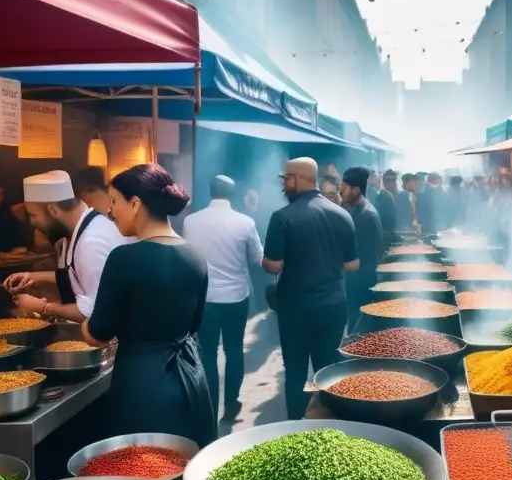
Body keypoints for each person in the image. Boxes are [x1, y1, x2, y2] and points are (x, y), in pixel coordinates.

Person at [81, 163, 216, 446]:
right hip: (191, 378)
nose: (109, 211)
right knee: (185, 464)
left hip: (142, 384)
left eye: (114, 202)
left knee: (141, 473)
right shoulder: (195, 255)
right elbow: (194, 324)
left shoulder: (124, 258)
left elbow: (98, 334)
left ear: (135, 203)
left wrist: (79, 320)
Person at [263, 158, 358, 420]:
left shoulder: (282, 217)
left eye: (286, 180)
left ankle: (295, 429)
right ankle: (330, 431)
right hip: (333, 308)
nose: (283, 186)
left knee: (294, 373)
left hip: (296, 310)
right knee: (328, 372)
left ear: (297, 179)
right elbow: (352, 265)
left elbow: (272, 266)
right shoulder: (342, 215)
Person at [184, 175, 264, 421]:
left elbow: (188, 257)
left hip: (204, 298)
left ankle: (209, 405)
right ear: (233, 194)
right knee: (233, 350)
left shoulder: (190, 221)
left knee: (207, 352)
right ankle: (231, 405)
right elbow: (258, 260)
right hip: (236, 297)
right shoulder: (245, 222)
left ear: (210, 190)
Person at [3, 171, 126, 322]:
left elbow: (93, 312)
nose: (32, 223)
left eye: (34, 215)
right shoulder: (80, 228)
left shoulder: (92, 241)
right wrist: (37, 277)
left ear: (53, 210)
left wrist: (43, 307)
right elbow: (81, 275)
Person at [340, 166, 383, 331]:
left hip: (360, 286)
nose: (341, 192)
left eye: (344, 188)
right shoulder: (355, 210)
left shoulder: (367, 216)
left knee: (358, 331)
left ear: (356, 190)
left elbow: (370, 259)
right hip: (353, 285)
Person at [375, 169, 399, 239]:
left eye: (394, 180)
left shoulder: (400, 195)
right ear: (385, 182)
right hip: (387, 235)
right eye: (390, 181)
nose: (393, 183)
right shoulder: (382, 196)